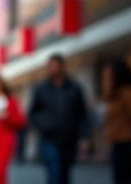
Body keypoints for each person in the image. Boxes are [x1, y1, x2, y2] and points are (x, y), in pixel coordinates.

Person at [29, 53, 89, 184]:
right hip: (49, 139)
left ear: (62, 67)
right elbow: (33, 113)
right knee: (54, 173)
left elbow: (82, 114)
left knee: (65, 174)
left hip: (69, 138)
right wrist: (44, 125)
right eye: (50, 66)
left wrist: (84, 137)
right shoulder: (41, 88)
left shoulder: (74, 88)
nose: (52, 69)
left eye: (55, 66)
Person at [100, 58, 131, 184]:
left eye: (108, 76)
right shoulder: (112, 96)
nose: (105, 79)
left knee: (130, 177)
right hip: (117, 143)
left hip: (129, 142)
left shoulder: (128, 92)